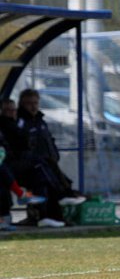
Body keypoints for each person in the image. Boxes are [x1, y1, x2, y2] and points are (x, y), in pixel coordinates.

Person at [14, 89, 86, 227]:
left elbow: (49, 140)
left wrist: (54, 155)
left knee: (59, 181)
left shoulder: (40, 121)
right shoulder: (21, 122)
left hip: (48, 163)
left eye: (35, 103)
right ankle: (47, 213)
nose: (33, 106)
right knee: (45, 183)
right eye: (29, 103)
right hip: (29, 166)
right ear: (22, 104)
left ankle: (58, 215)